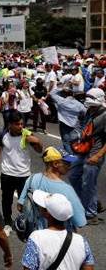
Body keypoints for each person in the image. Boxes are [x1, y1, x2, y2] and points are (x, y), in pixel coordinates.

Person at [0, 112, 43, 233]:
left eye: (21, 124)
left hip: (24, 175)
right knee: (6, 200)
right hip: (7, 174)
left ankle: (25, 223)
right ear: (10, 125)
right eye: (17, 124)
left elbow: (40, 150)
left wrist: (37, 141)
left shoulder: (27, 134)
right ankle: (7, 222)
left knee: (25, 202)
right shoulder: (2, 135)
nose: (20, 126)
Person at [21, 191, 95, 270]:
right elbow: (89, 268)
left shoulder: (36, 238)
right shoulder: (82, 241)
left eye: (43, 207)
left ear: (47, 214)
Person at [18, 147, 86, 230]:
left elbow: (20, 206)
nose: (70, 165)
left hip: (35, 232)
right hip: (58, 236)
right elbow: (80, 222)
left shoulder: (32, 179)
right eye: (66, 163)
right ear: (55, 164)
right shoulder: (67, 190)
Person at [68, 88, 106, 225]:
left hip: (95, 153)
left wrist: (98, 156)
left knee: (88, 183)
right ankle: (91, 202)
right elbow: (82, 126)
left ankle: (91, 214)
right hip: (83, 150)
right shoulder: (90, 110)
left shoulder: (104, 114)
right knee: (72, 176)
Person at [49, 85, 86, 154]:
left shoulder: (61, 101)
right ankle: (74, 156)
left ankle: (71, 157)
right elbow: (85, 114)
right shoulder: (80, 105)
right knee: (74, 142)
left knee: (66, 142)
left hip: (63, 125)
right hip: (75, 126)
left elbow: (52, 93)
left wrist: (62, 88)